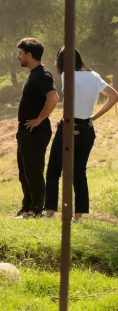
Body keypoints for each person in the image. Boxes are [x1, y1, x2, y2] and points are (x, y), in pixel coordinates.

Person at [44, 47, 118, 222]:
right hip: (87, 128)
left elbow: (70, 101)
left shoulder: (66, 76)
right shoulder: (93, 75)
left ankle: (50, 212)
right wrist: (93, 117)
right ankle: (78, 216)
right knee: (79, 172)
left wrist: (69, 124)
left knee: (54, 170)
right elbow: (114, 96)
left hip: (70, 126)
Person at [14, 38, 60, 219]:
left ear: (29, 55)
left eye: (20, 53)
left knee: (33, 171)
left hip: (35, 132)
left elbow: (54, 97)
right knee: (24, 172)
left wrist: (39, 119)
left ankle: (36, 209)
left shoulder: (42, 74)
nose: (18, 56)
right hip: (27, 132)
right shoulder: (34, 73)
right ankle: (27, 207)